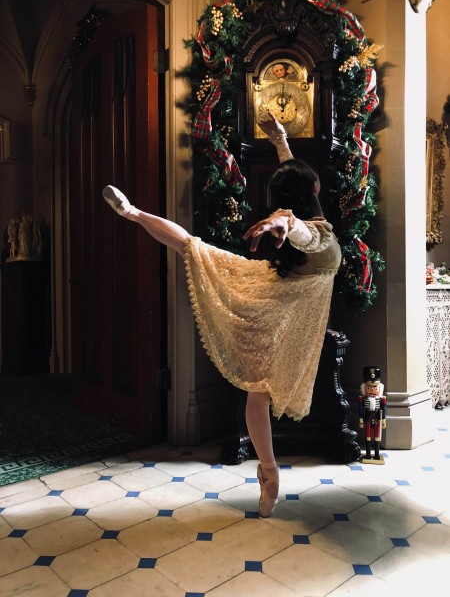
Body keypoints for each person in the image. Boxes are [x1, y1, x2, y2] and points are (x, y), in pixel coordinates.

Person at [103, 112, 341, 517]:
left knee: (192, 247)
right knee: (257, 392)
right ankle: (269, 474)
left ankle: (133, 213)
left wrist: (280, 139)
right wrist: (282, 222)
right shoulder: (318, 233)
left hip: (275, 297)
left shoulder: (307, 217)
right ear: (313, 190)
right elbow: (299, 227)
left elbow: (294, 193)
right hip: (277, 305)